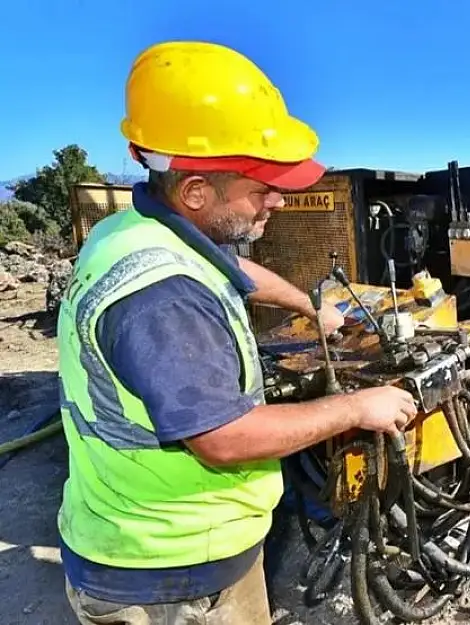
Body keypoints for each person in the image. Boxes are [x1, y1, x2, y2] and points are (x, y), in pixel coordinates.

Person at [55, 40, 418, 624]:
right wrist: (356, 407)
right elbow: (224, 438)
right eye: (260, 188)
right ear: (197, 191)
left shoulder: (137, 228)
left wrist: (311, 303)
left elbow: (233, 269)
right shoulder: (160, 297)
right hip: (167, 575)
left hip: (185, 547)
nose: (277, 200)